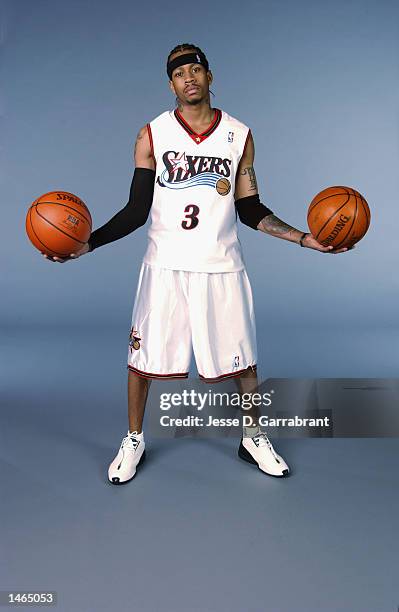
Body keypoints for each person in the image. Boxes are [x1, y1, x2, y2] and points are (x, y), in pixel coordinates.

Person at [43, 43, 350, 484]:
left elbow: (250, 208)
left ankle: (252, 435)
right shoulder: (151, 135)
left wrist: (304, 239)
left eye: (195, 69)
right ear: (170, 84)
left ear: (210, 76)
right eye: (179, 73)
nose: (188, 77)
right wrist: (86, 245)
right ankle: (133, 438)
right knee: (141, 357)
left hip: (222, 264)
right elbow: (136, 210)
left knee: (243, 359)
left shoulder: (239, 135)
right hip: (165, 265)